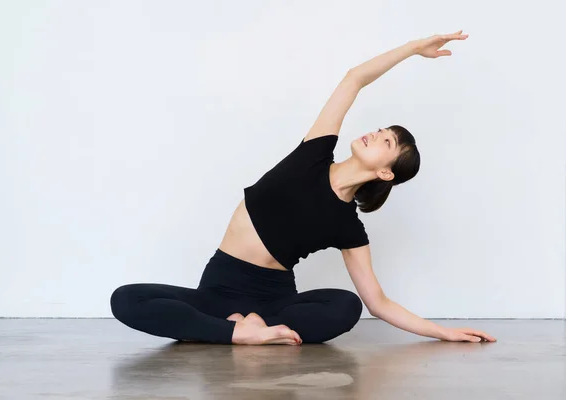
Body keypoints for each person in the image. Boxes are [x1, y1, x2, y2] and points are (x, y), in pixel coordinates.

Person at [110, 30, 497, 345]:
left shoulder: (349, 227)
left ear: (386, 174)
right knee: (126, 299)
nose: (375, 134)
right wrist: (413, 48)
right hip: (218, 287)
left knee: (345, 306)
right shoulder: (314, 152)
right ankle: (239, 333)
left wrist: (443, 332)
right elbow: (354, 78)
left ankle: (240, 330)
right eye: (381, 129)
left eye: (386, 142)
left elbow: (376, 303)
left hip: (274, 299)